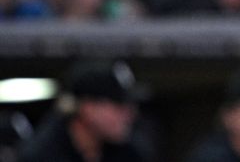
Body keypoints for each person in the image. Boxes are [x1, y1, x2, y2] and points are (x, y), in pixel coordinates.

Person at [18, 60, 153, 162]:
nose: (129, 114)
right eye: (118, 106)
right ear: (87, 108)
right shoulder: (42, 154)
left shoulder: (129, 152)